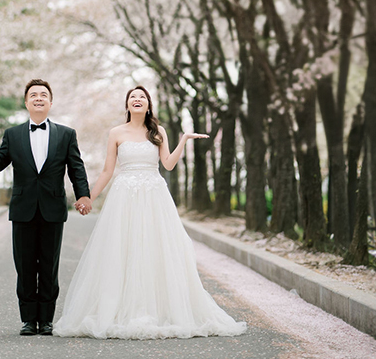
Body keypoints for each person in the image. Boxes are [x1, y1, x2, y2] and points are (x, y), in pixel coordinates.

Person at [53, 85, 247, 339]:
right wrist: (87, 197)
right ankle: (119, 307)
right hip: (124, 197)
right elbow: (107, 171)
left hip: (154, 196)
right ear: (127, 105)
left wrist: (184, 140)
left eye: (141, 97)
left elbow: (167, 163)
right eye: (132, 97)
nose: (137, 100)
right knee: (123, 249)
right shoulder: (116, 133)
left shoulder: (158, 131)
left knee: (157, 249)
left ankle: (159, 308)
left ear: (148, 105)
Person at [0, 79, 91, 336]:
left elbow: (76, 168)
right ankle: (29, 320)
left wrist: (83, 195)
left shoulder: (66, 134)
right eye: (33, 95)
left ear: (51, 102)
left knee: (49, 266)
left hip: (52, 208)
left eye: (43, 95)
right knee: (25, 265)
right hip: (23, 208)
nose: (38, 98)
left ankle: (46, 320)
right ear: (26, 102)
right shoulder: (13, 134)